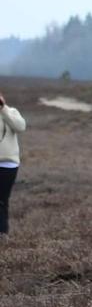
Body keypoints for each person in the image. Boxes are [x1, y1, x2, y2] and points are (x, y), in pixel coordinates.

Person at [0, 92, 25, 236]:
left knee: (2, 201)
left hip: (8, 166)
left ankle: (2, 233)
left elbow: (21, 127)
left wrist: (4, 109)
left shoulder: (12, 112)